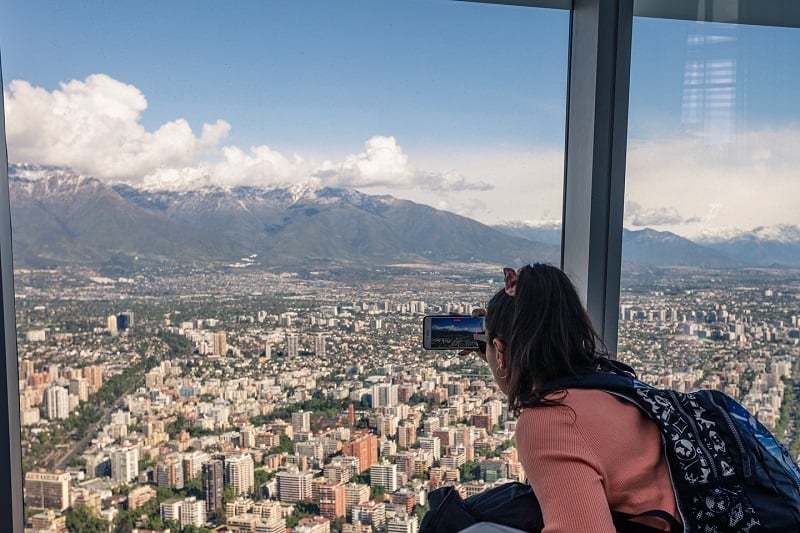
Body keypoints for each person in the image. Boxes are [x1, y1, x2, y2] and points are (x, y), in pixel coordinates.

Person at [473, 263, 681, 533]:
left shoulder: (553, 420)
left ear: (500, 351)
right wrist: (498, 354)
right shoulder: (613, 380)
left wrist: (501, 360)